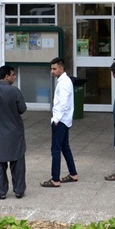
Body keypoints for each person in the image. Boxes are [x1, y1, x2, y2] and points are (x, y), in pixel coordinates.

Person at [0, 65, 28, 199]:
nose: (14, 77)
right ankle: (19, 190)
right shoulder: (15, 92)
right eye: (13, 75)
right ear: (7, 76)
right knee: (18, 162)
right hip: (14, 133)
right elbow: (22, 109)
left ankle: (0, 191)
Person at [41, 57, 78, 188]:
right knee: (64, 147)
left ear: (61, 69)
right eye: (51, 68)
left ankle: (55, 179)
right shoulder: (64, 81)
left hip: (60, 120)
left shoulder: (64, 83)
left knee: (55, 149)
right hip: (64, 120)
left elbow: (63, 104)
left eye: (54, 69)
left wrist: (56, 120)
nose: (52, 71)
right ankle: (73, 173)